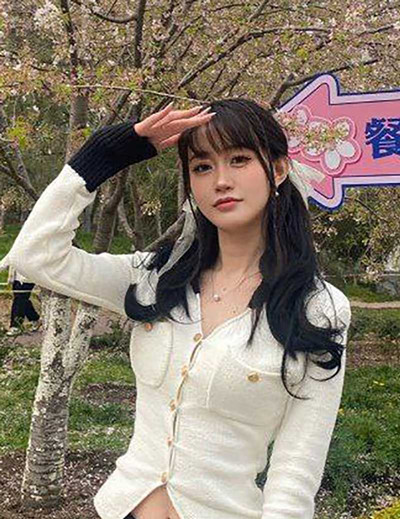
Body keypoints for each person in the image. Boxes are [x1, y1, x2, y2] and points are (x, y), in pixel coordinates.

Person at [0, 99, 351, 519]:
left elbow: (296, 470)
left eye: (239, 160)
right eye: (202, 166)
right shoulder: (156, 279)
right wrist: (106, 153)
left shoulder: (318, 308)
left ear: (277, 170)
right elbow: (35, 256)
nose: (221, 180)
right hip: (120, 508)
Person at [5, 266, 40, 336]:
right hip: (16, 278)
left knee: (19, 300)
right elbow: (9, 261)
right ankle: (34, 318)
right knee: (22, 300)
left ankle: (16, 326)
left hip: (27, 278)